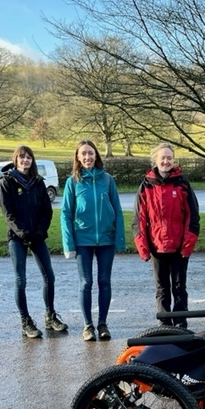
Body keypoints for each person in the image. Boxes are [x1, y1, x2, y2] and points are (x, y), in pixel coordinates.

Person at [0, 145, 68, 338]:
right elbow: (8, 213)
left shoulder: (38, 182)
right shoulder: (7, 182)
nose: (25, 160)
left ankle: (50, 315)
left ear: (32, 161)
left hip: (37, 237)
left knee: (49, 277)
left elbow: (47, 210)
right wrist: (23, 234)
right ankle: (26, 321)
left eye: (28, 157)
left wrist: (39, 232)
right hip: (17, 237)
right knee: (21, 280)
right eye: (21, 157)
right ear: (16, 160)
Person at [61, 139, 126, 341]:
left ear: (96, 155)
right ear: (78, 158)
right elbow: (65, 213)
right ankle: (88, 326)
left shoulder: (107, 180)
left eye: (91, 153)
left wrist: (120, 239)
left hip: (106, 239)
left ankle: (103, 324)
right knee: (86, 282)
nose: (88, 157)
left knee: (104, 281)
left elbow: (118, 211)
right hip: (83, 240)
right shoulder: (73, 182)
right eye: (84, 154)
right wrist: (68, 244)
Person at [132, 143, 200, 328]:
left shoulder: (182, 185)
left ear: (173, 160)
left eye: (169, 158)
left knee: (179, 287)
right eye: (162, 157)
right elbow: (138, 220)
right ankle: (164, 323)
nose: (166, 161)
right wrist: (143, 249)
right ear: (155, 159)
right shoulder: (146, 186)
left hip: (179, 247)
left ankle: (180, 323)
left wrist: (187, 246)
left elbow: (193, 218)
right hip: (156, 247)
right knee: (162, 288)